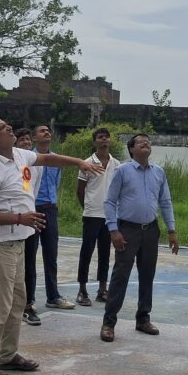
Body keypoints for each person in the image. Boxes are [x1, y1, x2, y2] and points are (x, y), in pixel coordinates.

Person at [0, 118, 102, 375]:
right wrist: (20, 218)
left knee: (17, 303)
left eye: (8, 125)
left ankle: (7, 355)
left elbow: (46, 158)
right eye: (2, 128)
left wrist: (79, 162)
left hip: (18, 242)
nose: (9, 128)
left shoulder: (20, 154)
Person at [100, 134, 179, 343]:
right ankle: (109, 323)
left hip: (151, 231)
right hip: (127, 230)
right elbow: (109, 202)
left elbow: (166, 202)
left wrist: (172, 230)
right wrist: (113, 230)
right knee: (120, 276)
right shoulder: (122, 171)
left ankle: (143, 319)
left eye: (148, 141)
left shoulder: (159, 172)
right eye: (140, 142)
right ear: (132, 149)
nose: (146, 143)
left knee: (147, 275)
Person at [76, 128, 120, 306]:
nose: (104, 140)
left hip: (109, 216)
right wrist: (87, 206)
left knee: (105, 252)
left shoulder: (116, 164)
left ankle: (102, 289)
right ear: (94, 142)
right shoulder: (87, 163)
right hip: (92, 214)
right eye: (100, 137)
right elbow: (80, 190)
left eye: (106, 137)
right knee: (86, 251)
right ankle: (82, 290)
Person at [33, 125, 73, 310]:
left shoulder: (56, 159)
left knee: (51, 255)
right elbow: (26, 186)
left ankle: (53, 296)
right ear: (34, 138)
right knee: (29, 255)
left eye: (48, 130)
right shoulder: (29, 159)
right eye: (42, 131)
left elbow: (56, 183)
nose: (47, 132)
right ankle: (28, 298)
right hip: (33, 209)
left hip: (50, 209)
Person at [14, 128, 41, 326]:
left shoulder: (33, 164)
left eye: (27, 139)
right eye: (21, 139)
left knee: (29, 264)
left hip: (28, 217)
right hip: (10, 220)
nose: (25, 142)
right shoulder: (7, 163)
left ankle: (28, 304)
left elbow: (29, 189)